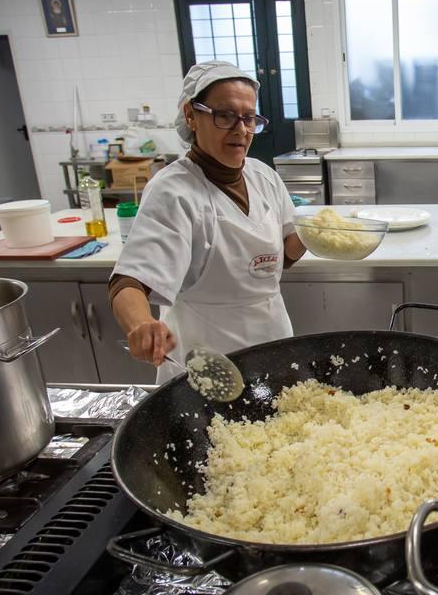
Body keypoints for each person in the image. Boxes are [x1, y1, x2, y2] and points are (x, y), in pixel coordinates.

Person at [109, 61, 305, 381]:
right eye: (225, 116)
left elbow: (281, 258)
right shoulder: (173, 191)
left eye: (249, 118)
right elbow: (128, 282)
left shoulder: (263, 176)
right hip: (206, 358)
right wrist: (141, 324)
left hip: (272, 343)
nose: (241, 130)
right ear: (191, 115)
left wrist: (317, 232)